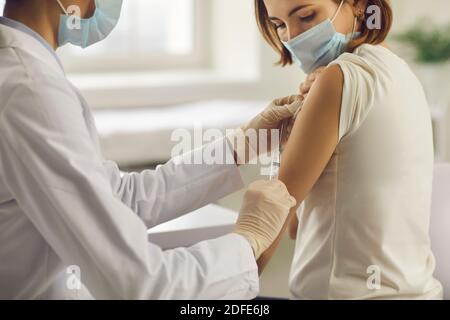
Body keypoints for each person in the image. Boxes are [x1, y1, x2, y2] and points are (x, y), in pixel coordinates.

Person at [0, 0, 300, 299]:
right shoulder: (30, 89)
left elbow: (117, 195)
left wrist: (244, 144)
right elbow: (138, 284)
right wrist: (247, 241)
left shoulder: (23, 72)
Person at [255, 0, 443, 299]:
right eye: (279, 25)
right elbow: (297, 225)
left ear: (358, 6)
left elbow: (274, 223)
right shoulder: (400, 70)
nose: (292, 37)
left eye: (306, 16)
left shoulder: (337, 79)